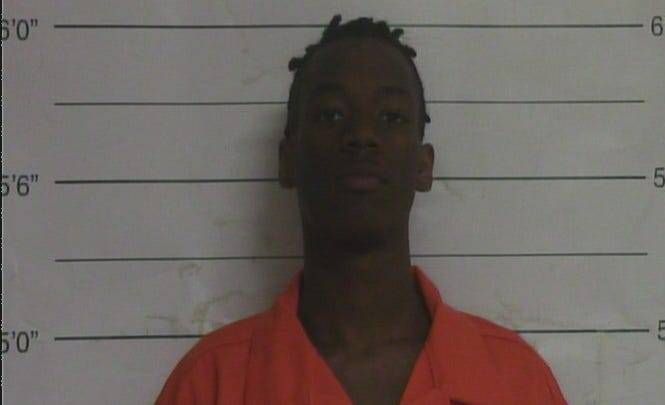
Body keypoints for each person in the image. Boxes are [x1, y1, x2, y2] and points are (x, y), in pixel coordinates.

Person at [156, 14, 567, 405]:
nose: (362, 134)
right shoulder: (210, 383)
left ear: (423, 165)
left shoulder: (517, 382)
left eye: (391, 117)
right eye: (331, 114)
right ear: (288, 161)